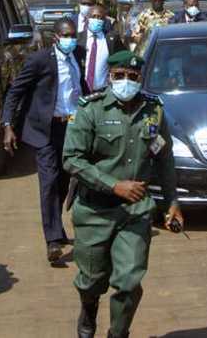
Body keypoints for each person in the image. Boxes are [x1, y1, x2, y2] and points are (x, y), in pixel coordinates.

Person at [62, 50, 181, 338]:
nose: (126, 81)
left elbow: (164, 158)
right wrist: (113, 185)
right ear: (109, 77)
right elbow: (71, 159)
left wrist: (172, 202)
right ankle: (88, 309)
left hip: (135, 212)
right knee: (91, 280)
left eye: (132, 76)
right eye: (119, 76)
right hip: (94, 211)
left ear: (141, 78)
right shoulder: (91, 110)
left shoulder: (154, 110)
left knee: (129, 282)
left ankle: (118, 333)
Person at [1, 18, 81, 264]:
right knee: (49, 181)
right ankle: (53, 241)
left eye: (73, 35)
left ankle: (57, 227)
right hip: (45, 129)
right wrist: (8, 126)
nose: (70, 39)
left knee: (64, 182)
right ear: (56, 37)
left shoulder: (78, 56)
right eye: (66, 35)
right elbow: (16, 92)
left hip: (71, 128)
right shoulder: (39, 60)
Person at [77, 3, 124, 92]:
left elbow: (121, 60)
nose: (97, 20)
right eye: (93, 16)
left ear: (104, 20)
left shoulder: (111, 39)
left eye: (100, 18)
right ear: (87, 18)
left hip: (103, 91)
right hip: (81, 92)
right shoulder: (78, 39)